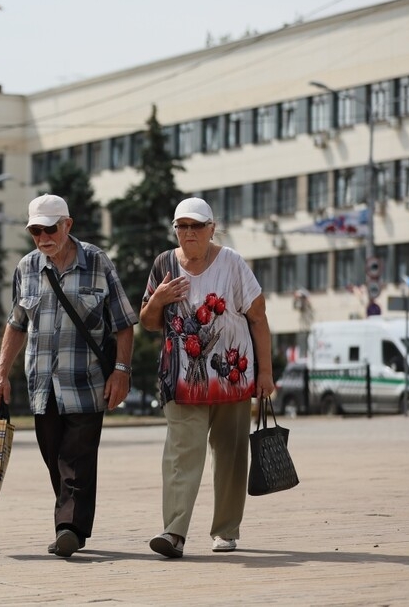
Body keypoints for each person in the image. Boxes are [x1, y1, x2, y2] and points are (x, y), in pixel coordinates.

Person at [0, 194, 137, 558]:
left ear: (67, 225)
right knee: (56, 457)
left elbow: (123, 324)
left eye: (49, 229)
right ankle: (70, 520)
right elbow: (16, 324)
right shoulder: (26, 268)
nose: (43, 237)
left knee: (77, 457)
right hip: (42, 386)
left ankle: (69, 529)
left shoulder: (97, 262)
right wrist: (1, 374)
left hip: (87, 383)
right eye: (35, 231)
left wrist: (121, 371)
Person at [139, 197, 275, 558]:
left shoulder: (231, 263)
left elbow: (258, 318)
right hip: (181, 381)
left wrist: (266, 373)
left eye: (196, 226)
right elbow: (149, 323)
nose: (188, 233)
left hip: (233, 377)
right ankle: (174, 533)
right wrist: (160, 299)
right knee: (183, 455)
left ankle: (226, 530)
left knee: (231, 455)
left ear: (212, 229)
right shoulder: (164, 264)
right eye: (182, 226)